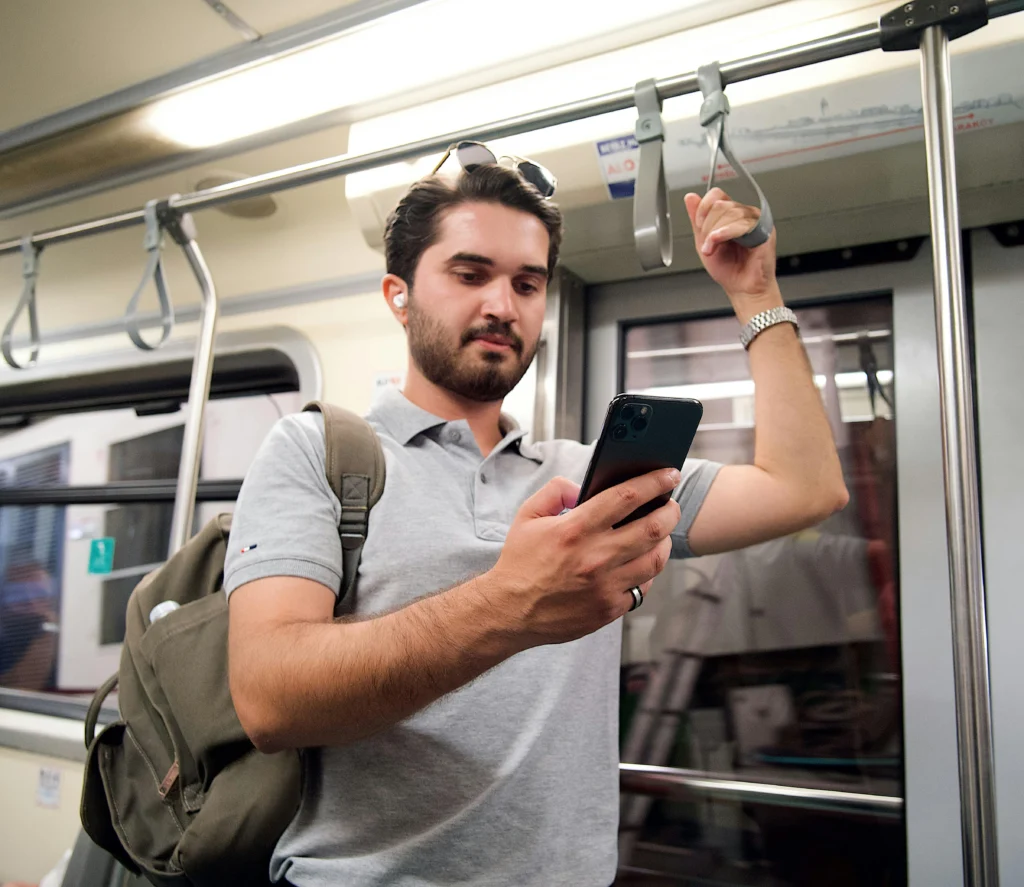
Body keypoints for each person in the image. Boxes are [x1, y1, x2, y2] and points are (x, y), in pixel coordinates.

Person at [224, 156, 848, 886]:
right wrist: (512, 602)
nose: (503, 304)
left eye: (527, 283)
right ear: (399, 295)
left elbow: (804, 488)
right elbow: (269, 698)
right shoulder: (317, 451)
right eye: (470, 273)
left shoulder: (583, 478)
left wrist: (756, 295)